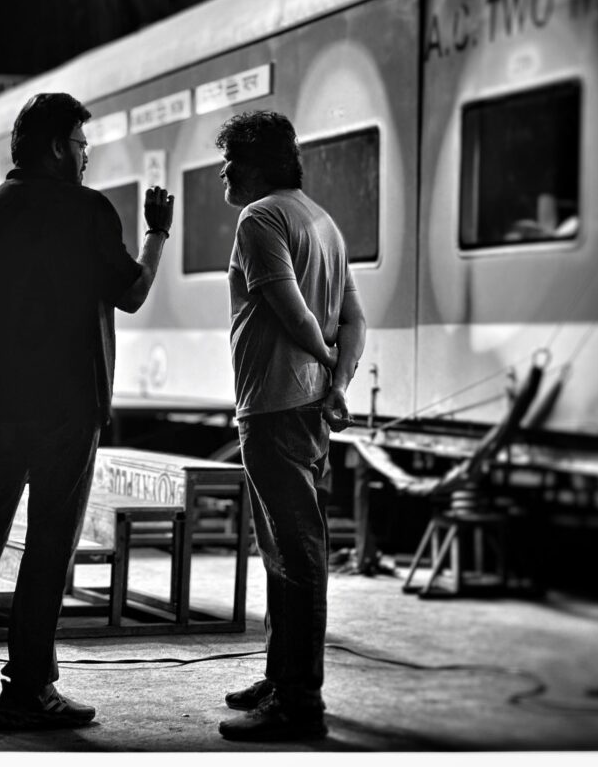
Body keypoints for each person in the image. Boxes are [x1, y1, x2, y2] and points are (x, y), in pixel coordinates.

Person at [0, 91, 174, 729]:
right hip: (70, 406)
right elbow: (132, 294)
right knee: (48, 544)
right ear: (60, 147)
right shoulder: (88, 211)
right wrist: (157, 234)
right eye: (83, 144)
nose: (87, 156)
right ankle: (27, 690)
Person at [214, 109, 366, 743]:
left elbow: (293, 312)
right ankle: (281, 677)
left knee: (295, 555)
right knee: (284, 550)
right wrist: (339, 383)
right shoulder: (321, 221)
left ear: (256, 166)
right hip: (307, 407)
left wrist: (324, 363)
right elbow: (354, 319)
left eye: (229, 163)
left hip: (274, 405)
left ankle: (298, 701)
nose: (224, 174)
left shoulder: (260, 218)